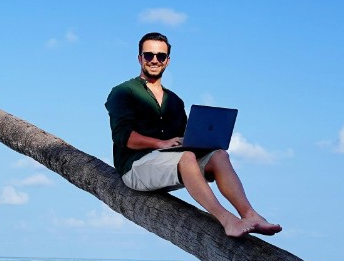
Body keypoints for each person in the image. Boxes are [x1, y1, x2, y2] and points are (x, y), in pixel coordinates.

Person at [105, 32, 282, 238]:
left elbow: (185, 138)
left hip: (171, 164)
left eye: (161, 56)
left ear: (168, 61)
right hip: (135, 168)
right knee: (186, 157)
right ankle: (227, 220)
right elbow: (123, 137)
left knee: (219, 155)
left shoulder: (175, 101)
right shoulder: (123, 91)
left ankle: (250, 215)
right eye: (149, 55)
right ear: (140, 58)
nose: (155, 60)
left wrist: (202, 144)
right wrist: (161, 143)